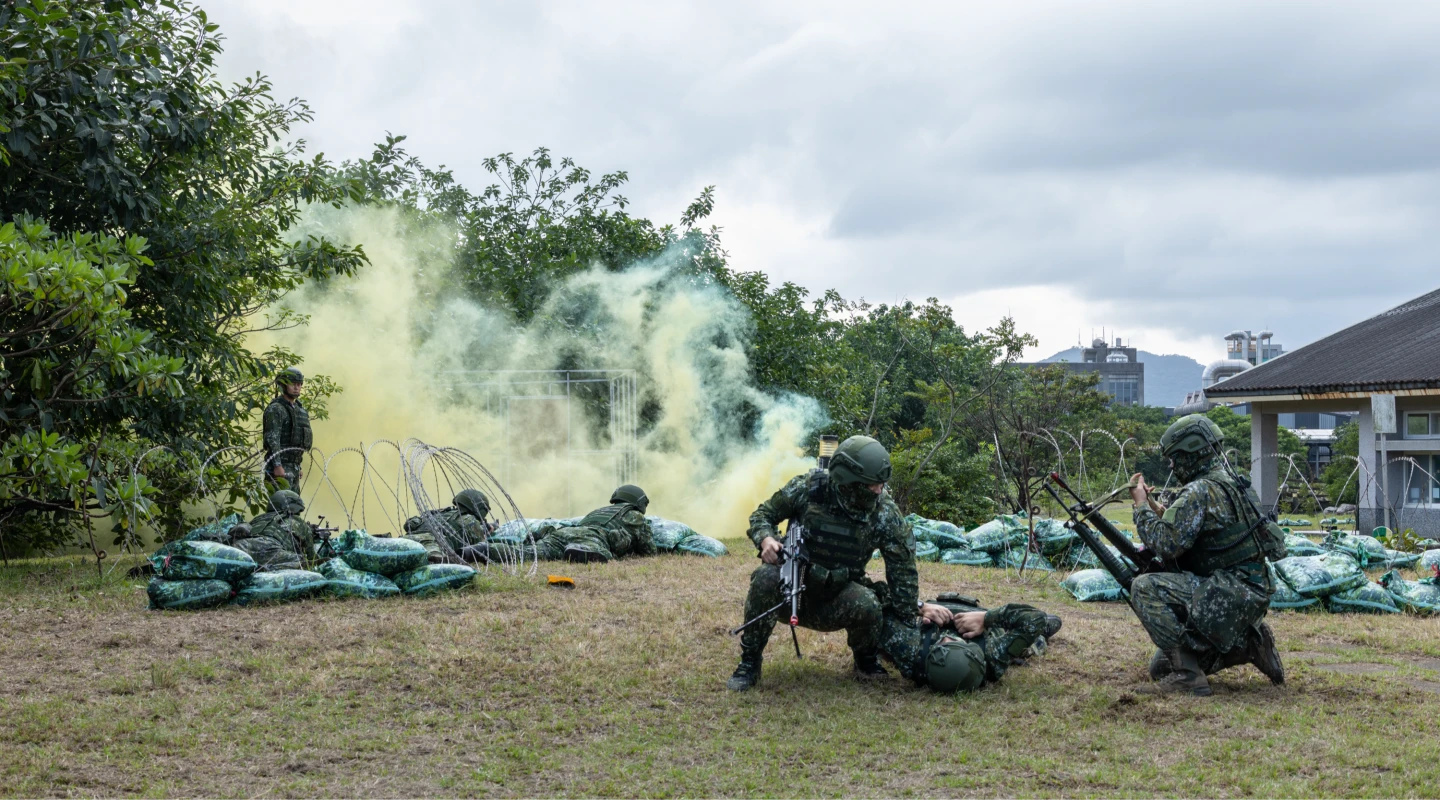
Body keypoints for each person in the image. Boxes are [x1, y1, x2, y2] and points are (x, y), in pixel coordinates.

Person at [728, 435, 917, 692]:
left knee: (869, 603)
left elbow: (902, 568)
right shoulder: (808, 489)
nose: (878, 490)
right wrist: (766, 540)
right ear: (848, 481)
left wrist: (908, 621)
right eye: (871, 485)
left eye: (881, 484)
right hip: (789, 594)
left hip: (837, 598)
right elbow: (763, 514)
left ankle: (866, 661)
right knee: (764, 578)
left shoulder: (884, 512)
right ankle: (750, 662)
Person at [1127, 414, 1286, 696]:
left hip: (1227, 590)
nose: (1172, 466)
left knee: (1144, 587)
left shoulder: (1199, 490)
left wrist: (1140, 506)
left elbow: (1165, 544)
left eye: (1175, 459)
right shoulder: (1234, 483)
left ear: (1191, 453)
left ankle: (1189, 676)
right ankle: (1249, 646)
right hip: (1250, 590)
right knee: (1160, 668)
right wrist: (1154, 507)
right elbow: (1195, 530)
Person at [878, 593, 1059, 692]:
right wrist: (986, 618)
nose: (947, 635)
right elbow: (1037, 619)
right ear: (971, 650)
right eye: (953, 640)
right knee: (1039, 637)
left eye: (942, 643)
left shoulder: (913, 652)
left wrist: (920, 607)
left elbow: (877, 605)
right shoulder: (991, 655)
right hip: (982, 615)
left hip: (935, 606)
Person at [465, 484, 655, 564]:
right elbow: (648, 549)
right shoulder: (634, 515)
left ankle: (482, 550)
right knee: (602, 553)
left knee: (527, 554)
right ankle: (580, 550)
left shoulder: (598, 511)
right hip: (590, 538)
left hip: (563, 533)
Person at [231, 489, 317, 571]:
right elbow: (311, 556)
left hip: (242, 546)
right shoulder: (297, 520)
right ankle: (266, 570)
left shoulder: (259, 518)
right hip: (271, 551)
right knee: (303, 562)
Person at [403, 489, 493, 563]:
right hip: (432, 545)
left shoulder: (440, 512)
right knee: (435, 560)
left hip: (407, 539)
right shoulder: (470, 520)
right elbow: (479, 547)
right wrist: (484, 532)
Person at [262, 367, 312, 491]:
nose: (296, 387)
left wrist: (297, 466)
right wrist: (277, 465)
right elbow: (272, 439)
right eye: (292, 384)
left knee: (294, 502)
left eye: (299, 384)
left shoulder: (299, 410)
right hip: (279, 467)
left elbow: (296, 442)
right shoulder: (276, 409)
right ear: (283, 386)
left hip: (294, 466)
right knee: (281, 501)